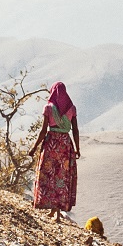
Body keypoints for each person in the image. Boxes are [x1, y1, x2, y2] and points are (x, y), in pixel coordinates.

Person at [29, 82, 80, 220]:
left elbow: (43, 130)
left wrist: (34, 148)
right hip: (65, 146)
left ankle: (53, 210)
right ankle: (55, 211)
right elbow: (75, 130)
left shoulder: (48, 108)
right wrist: (77, 148)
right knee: (61, 177)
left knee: (49, 176)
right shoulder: (72, 109)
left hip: (51, 144)